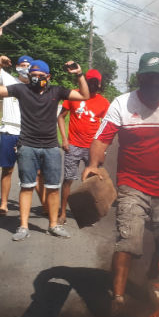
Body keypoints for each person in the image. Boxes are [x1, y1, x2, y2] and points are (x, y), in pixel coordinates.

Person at [82, 52, 159, 307]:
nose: (154, 83)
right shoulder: (122, 104)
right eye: (148, 77)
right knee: (128, 242)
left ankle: (155, 283)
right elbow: (102, 138)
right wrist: (93, 164)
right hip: (132, 184)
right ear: (139, 78)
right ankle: (118, 297)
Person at [0, 27, 90, 240]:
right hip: (27, 146)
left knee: (52, 187)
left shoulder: (56, 91)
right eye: (32, 75)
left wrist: (79, 74)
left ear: (48, 76)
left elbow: (84, 95)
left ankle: (53, 225)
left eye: (40, 76)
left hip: (51, 147)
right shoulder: (21, 90)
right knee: (26, 187)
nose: (35, 79)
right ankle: (23, 226)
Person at [0, 32, 35, 216]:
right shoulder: (8, 80)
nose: (25, 69)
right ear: (17, 67)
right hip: (8, 130)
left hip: (28, 133)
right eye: (22, 66)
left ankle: (44, 205)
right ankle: (3, 204)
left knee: (33, 172)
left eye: (28, 66)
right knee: (7, 169)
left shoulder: (36, 86)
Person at [57, 69, 110, 225]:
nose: (93, 85)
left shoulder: (104, 102)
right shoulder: (74, 95)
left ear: (99, 84)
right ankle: (62, 212)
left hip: (93, 148)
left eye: (95, 82)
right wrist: (64, 139)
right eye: (90, 81)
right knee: (68, 180)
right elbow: (61, 117)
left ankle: (90, 213)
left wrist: (103, 149)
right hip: (73, 145)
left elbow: (107, 128)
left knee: (92, 181)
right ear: (84, 81)